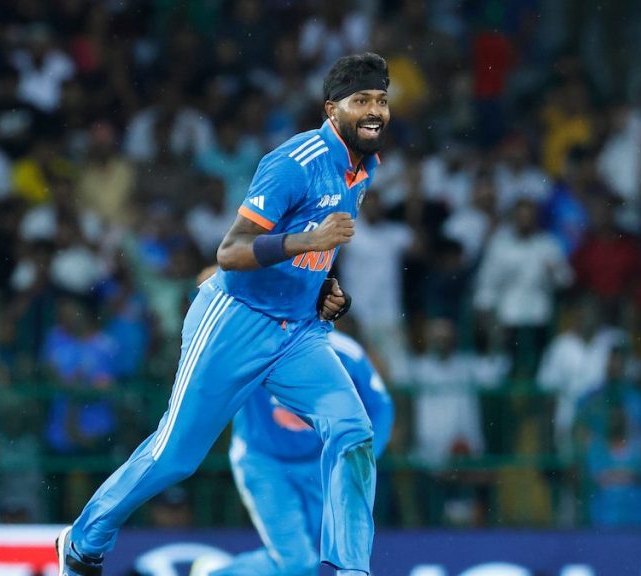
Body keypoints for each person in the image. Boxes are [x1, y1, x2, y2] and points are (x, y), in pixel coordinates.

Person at [56, 53, 391, 576]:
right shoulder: (295, 161)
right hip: (236, 318)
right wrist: (307, 241)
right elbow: (230, 253)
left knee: (353, 431)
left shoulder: (364, 167)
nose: (374, 111)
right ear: (332, 109)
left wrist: (327, 289)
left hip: (298, 332)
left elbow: (318, 252)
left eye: (381, 100)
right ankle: (82, 539)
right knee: (176, 456)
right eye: (362, 100)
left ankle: (352, 570)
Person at [192, 327, 393, 576]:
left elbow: (380, 406)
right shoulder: (255, 344)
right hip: (263, 462)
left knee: (298, 558)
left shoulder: (345, 352)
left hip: (318, 466)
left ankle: (217, 572)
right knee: (298, 562)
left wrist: (362, 458)